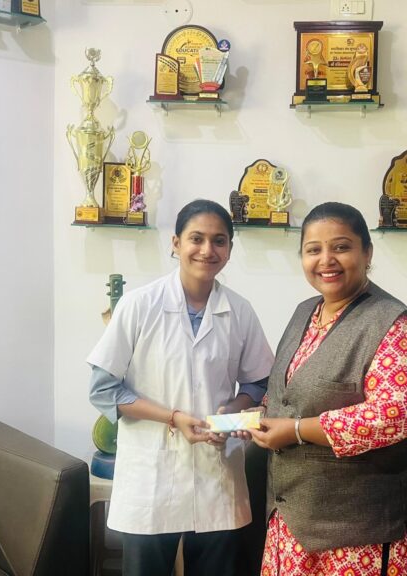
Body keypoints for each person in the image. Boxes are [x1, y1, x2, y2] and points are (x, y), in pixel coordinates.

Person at [87, 199, 274, 576]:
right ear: (176, 243)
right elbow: (104, 389)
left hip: (217, 473)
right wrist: (173, 417)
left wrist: (232, 411)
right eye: (196, 238)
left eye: (219, 241)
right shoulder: (139, 305)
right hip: (151, 475)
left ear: (230, 249)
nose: (207, 250)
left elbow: (259, 381)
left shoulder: (239, 311)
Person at [250, 202, 407, 576]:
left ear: (367, 253)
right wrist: (259, 415)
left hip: (364, 535)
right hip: (292, 520)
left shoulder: (395, 325)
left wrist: (296, 430)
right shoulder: (304, 313)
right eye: (313, 249)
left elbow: (395, 415)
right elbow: (287, 391)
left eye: (341, 247)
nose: (326, 260)